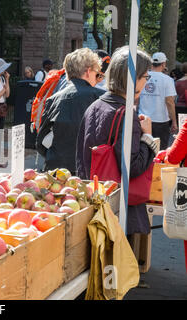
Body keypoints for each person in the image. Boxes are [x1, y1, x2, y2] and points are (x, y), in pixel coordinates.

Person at [77, 46, 157, 236]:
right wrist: (147, 138)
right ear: (134, 78)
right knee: (119, 264)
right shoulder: (126, 114)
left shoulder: (95, 106)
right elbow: (133, 166)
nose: (147, 81)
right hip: (118, 207)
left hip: (92, 199)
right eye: (146, 76)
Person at [35, 48, 105, 173]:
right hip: (89, 171)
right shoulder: (102, 98)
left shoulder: (53, 99)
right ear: (88, 72)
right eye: (97, 74)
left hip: (56, 170)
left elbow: (40, 141)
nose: (98, 79)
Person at [138, 52, 178, 150]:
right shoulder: (167, 80)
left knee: (142, 148)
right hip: (160, 121)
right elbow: (169, 102)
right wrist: (174, 121)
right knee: (159, 150)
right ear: (163, 64)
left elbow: (136, 98)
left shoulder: (142, 77)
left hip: (142, 119)